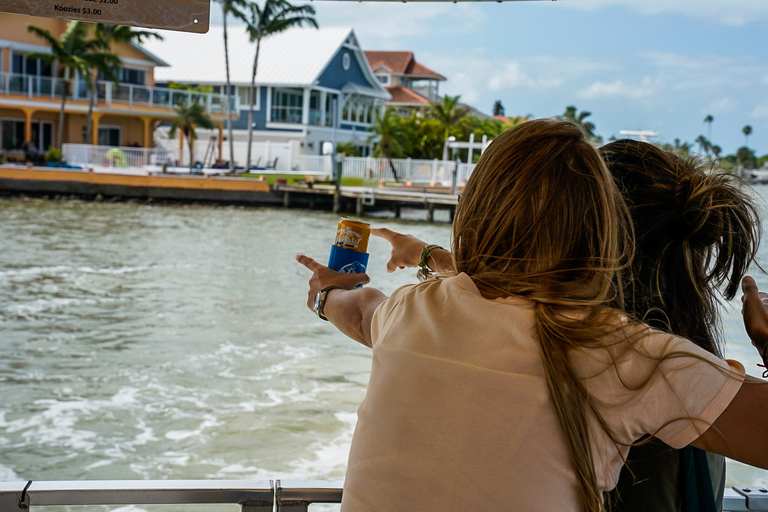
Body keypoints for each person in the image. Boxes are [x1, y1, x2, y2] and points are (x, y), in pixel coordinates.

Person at [296, 119, 768, 512]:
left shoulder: (411, 308)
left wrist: (325, 294)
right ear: (602, 237)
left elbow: (361, 310)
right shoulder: (631, 358)